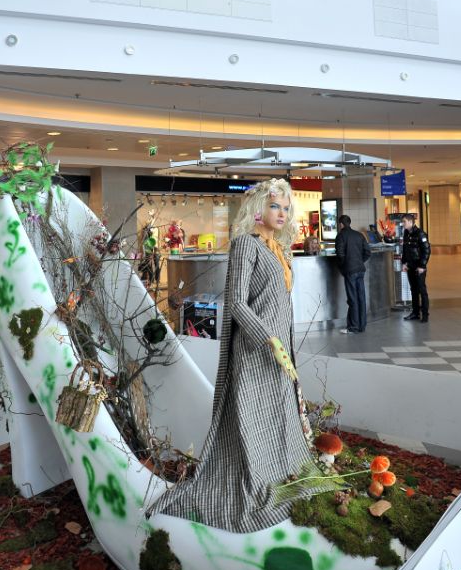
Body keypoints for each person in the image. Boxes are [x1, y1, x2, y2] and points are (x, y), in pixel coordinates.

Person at [147, 178, 325, 533]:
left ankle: (282, 470)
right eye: (274, 206)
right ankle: (253, 477)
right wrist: (269, 340)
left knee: (278, 414)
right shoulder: (246, 245)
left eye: (285, 208)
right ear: (258, 209)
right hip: (256, 352)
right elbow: (237, 303)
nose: (282, 213)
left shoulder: (278, 249)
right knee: (251, 418)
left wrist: (283, 347)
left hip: (279, 353)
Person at [335, 215, 371, 333]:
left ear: (341, 224)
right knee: (361, 297)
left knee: (352, 299)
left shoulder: (341, 236)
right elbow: (368, 252)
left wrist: (343, 267)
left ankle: (353, 327)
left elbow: (340, 254)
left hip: (350, 271)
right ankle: (362, 325)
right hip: (360, 269)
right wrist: (360, 261)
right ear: (349, 223)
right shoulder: (359, 235)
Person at [402, 214, 431, 322]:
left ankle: (425, 314)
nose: (403, 224)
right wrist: (404, 263)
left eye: (404, 222)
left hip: (419, 267)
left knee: (422, 290)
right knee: (413, 290)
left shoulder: (420, 234)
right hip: (410, 266)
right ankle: (415, 313)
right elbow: (405, 249)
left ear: (410, 222)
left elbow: (427, 251)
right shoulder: (406, 233)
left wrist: (422, 266)